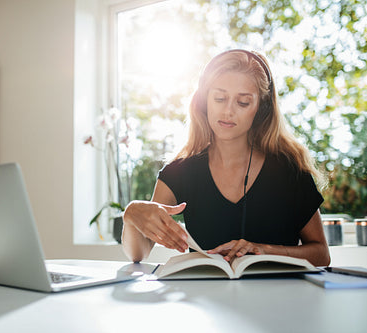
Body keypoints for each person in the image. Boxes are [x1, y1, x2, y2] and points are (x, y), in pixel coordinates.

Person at [122, 49, 331, 266]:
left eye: (243, 102)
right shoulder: (180, 171)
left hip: (280, 298)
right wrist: (131, 214)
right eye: (220, 98)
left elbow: (321, 255)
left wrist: (265, 250)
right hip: (208, 298)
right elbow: (138, 254)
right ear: (205, 101)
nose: (228, 111)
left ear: (261, 108)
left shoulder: (289, 170)